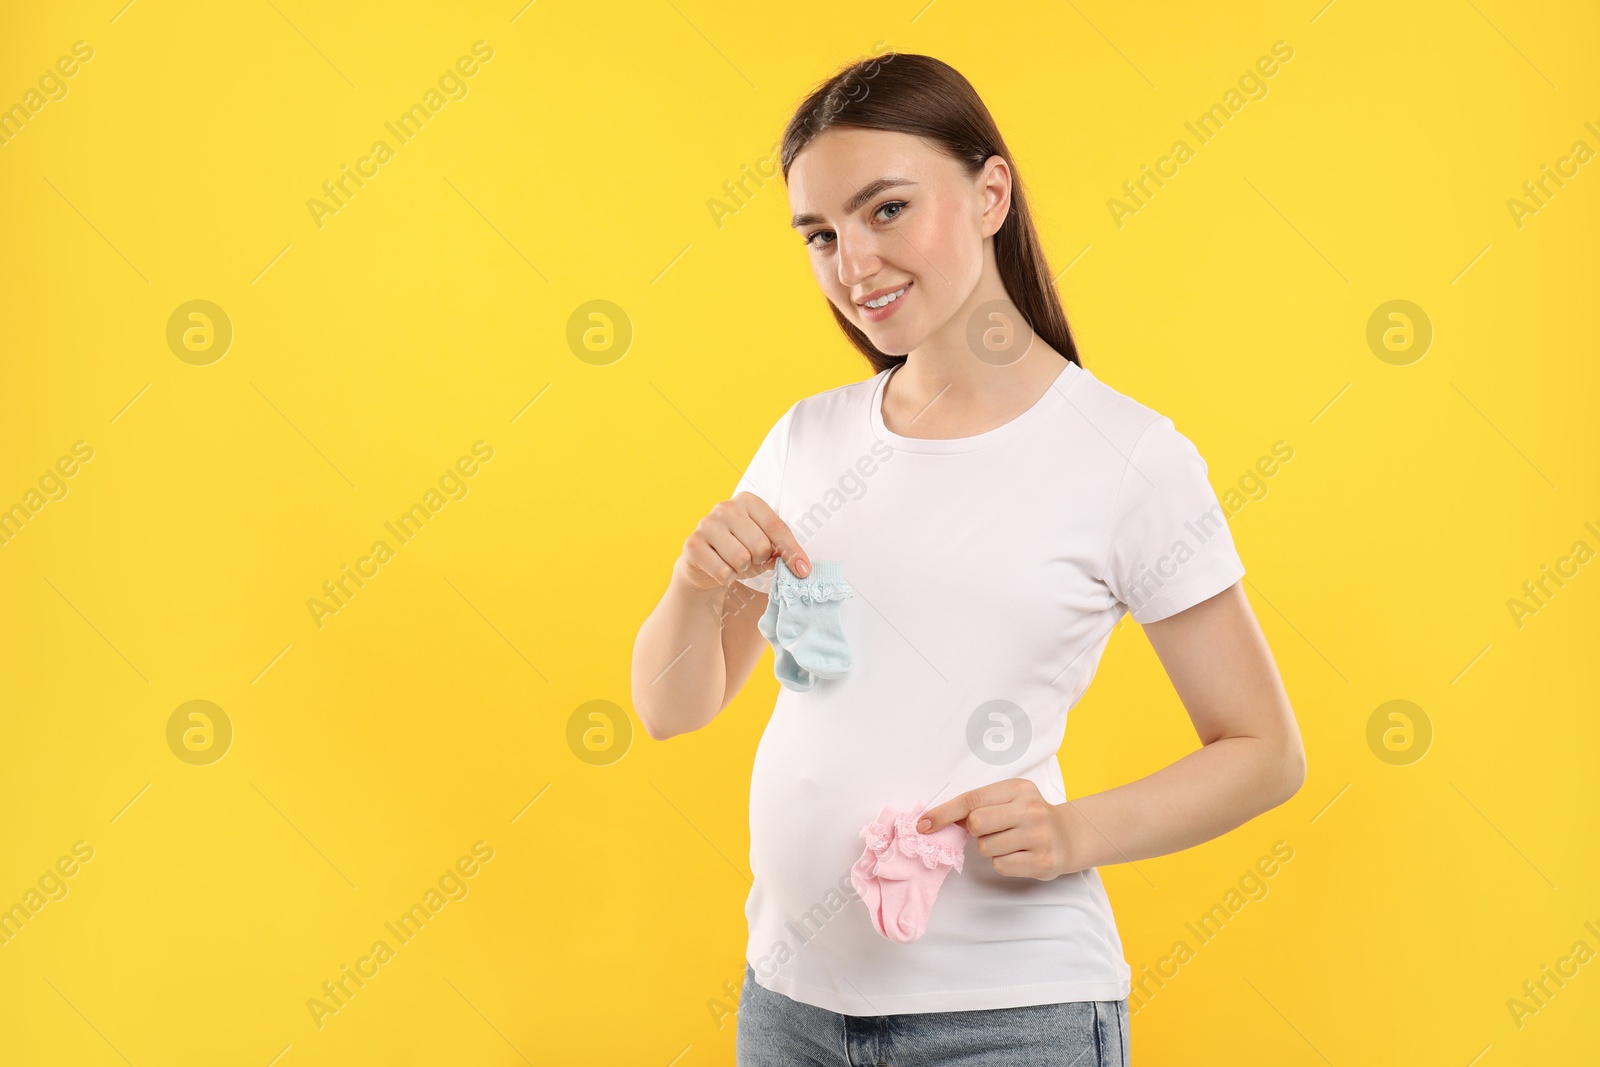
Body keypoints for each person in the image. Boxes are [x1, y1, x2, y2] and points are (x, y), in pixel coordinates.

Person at [631, 51, 1305, 1067]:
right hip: (788, 1005)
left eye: (886, 210)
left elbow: (1263, 750)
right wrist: (694, 586)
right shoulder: (807, 439)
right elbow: (670, 707)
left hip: (1010, 1020)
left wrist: (1074, 832)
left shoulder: (1128, 458)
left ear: (990, 192)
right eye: (819, 234)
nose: (851, 263)